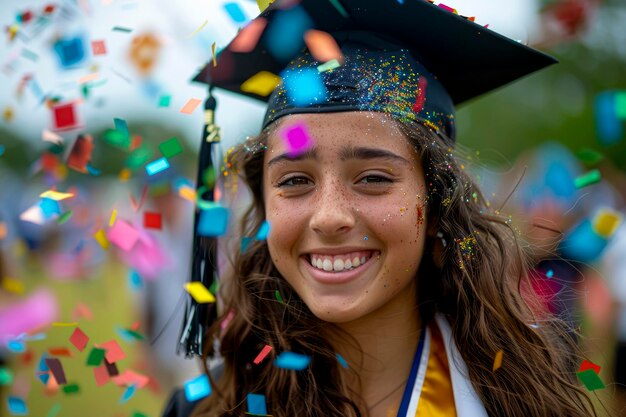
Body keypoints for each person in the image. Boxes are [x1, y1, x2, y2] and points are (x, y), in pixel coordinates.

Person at [164, 0, 600, 416]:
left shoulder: (517, 402)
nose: (330, 216)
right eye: (294, 181)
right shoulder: (207, 408)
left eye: (373, 178)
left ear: (435, 204)